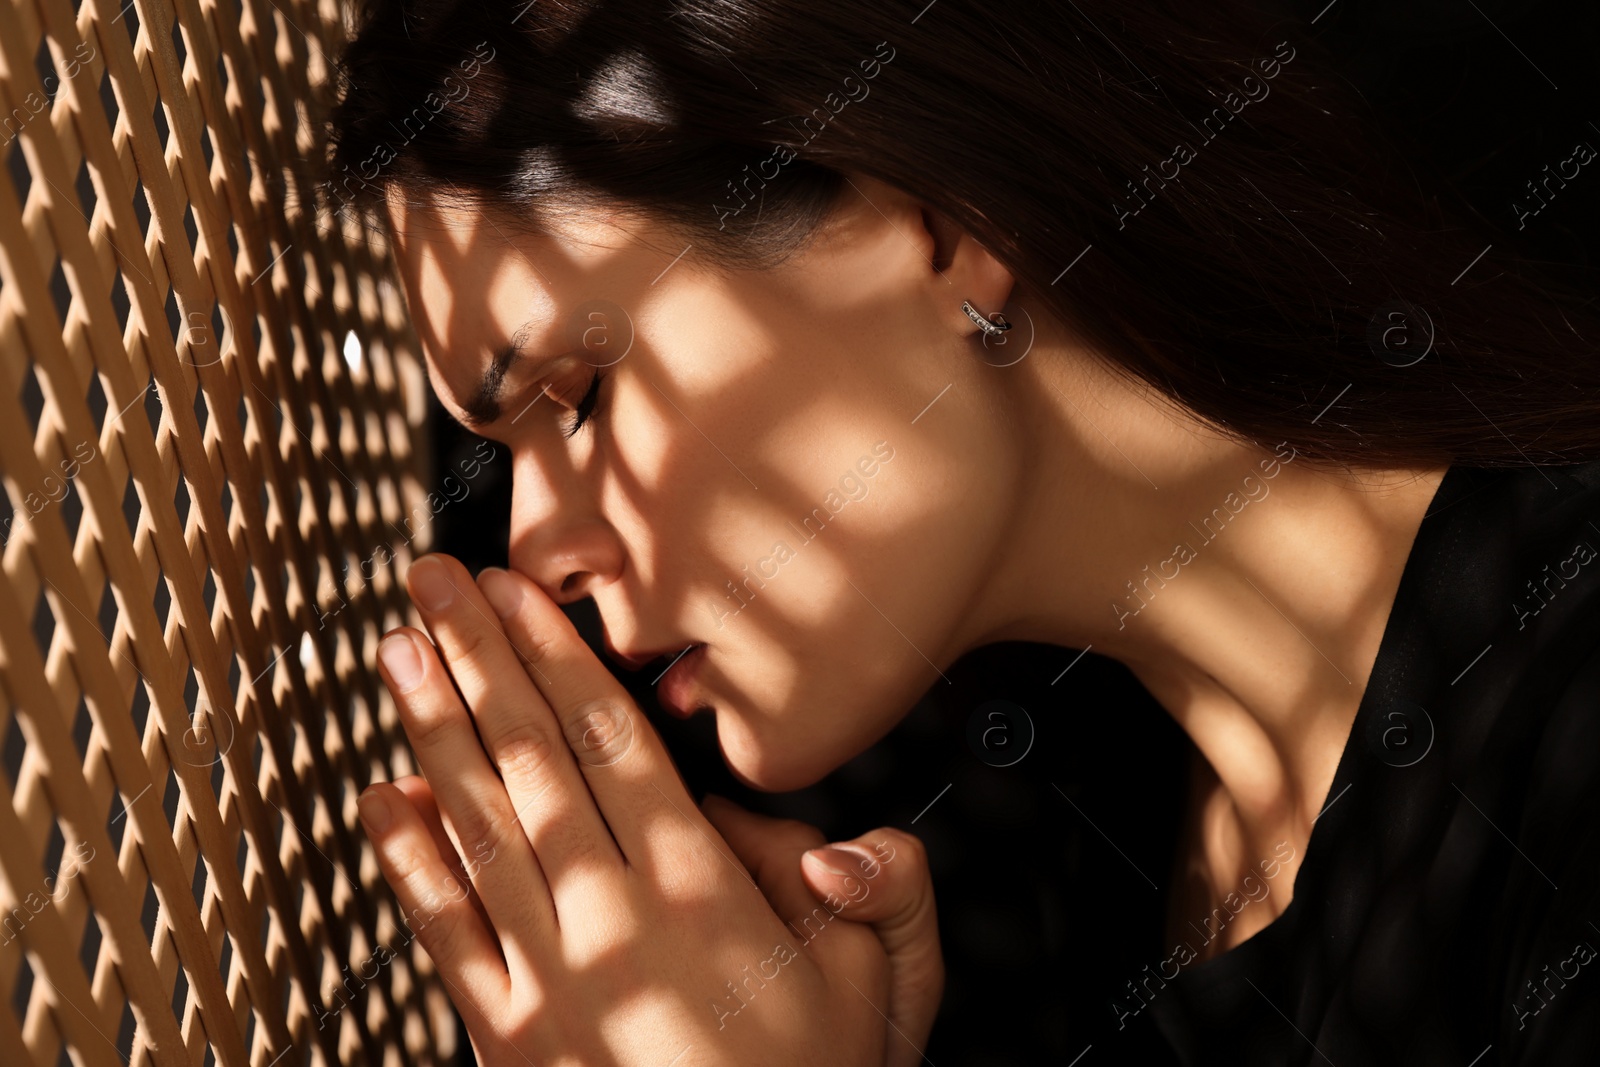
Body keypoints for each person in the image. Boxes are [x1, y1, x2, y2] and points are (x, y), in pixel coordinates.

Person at [323, 1, 1600, 1062]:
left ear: (941, 225)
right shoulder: (1072, 845)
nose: (538, 549)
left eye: (579, 394)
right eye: (510, 452)